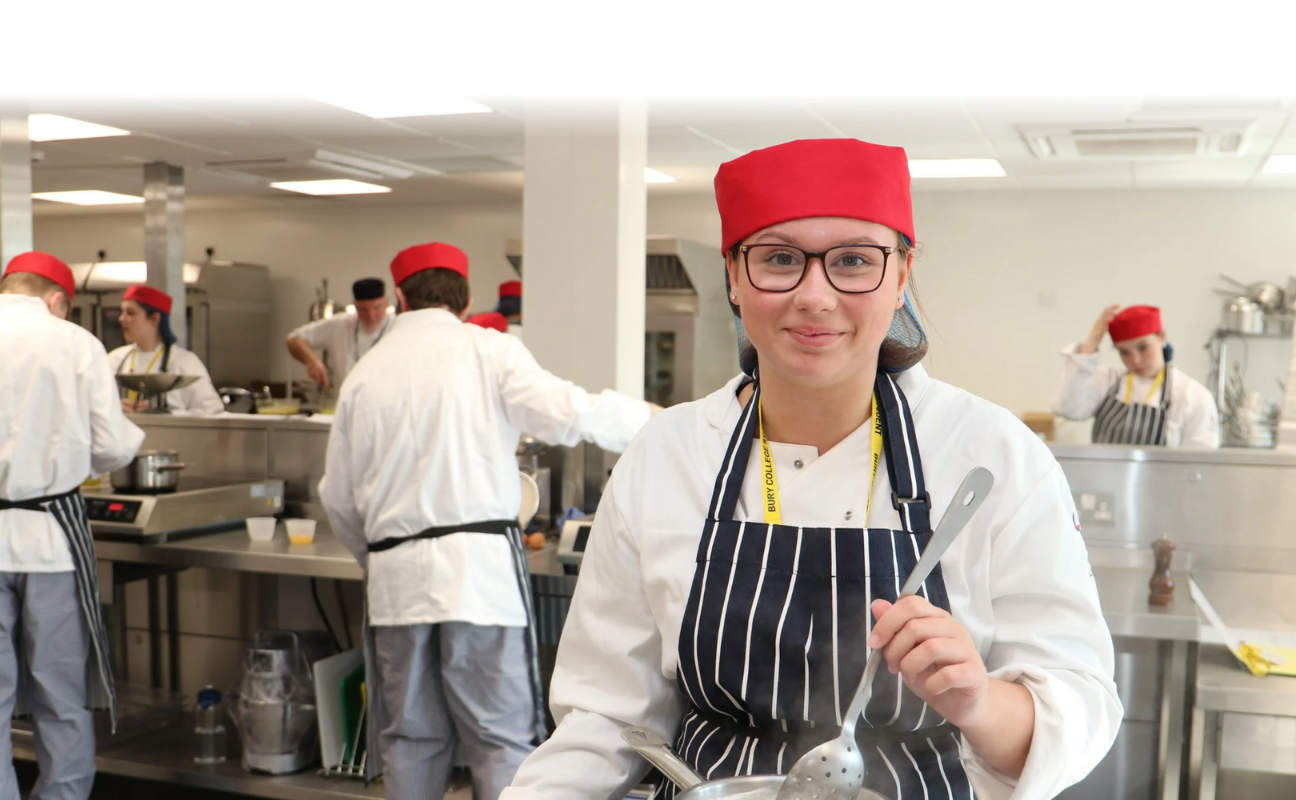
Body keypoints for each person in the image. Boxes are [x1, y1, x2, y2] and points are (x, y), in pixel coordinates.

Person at [503, 139, 1122, 800]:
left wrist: (978, 701)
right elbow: (606, 716)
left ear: (903, 274)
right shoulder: (669, 454)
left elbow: (1079, 706)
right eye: (779, 260)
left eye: (854, 260)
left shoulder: (992, 452)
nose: (815, 296)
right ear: (735, 278)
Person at [318, 242, 659, 800]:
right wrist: (653, 422)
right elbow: (568, 411)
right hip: (479, 582)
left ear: (400, 297)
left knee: (407, 738)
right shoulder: (487, 350)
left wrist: (379, 557)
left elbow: (338, 497)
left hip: (394, 585)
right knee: (500, 739)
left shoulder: (364, 374)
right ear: (466, 297)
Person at [0, 252, 144, 800]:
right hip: (52, 543)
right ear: (58, 299)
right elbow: (110, 446)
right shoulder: (76, 343)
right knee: (59, 693)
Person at [1053, 304, 1219, 447]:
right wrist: (1091, 343)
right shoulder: (1108, 379)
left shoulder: (1193, 396)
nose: (1136, 360)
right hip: (1102, 482)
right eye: (1124, 352)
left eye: (1143, 347)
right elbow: (1066, 409)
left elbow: (1197, 466)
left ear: (1162, 337)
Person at [105, 285, 225, 415]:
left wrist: (168, 415)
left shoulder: (185, 362)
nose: (122, 319)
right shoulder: (115, 359)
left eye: (131, 313)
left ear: (154, 319)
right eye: (122, 312)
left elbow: (212, 410)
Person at [287, 278, 392, 390]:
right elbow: (293, 340)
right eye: (364, 309)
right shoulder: (340, 325)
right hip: (348, 404)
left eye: (377, 308)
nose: (371, 316)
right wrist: (311, 361)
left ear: (386, 302)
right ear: (355, 305)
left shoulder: (398, 326)